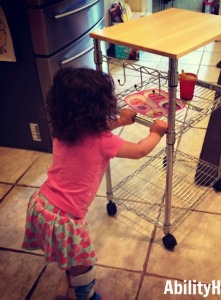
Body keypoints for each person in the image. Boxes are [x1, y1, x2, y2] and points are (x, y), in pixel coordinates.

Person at [22, 67, 168, 300]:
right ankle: (87, 295)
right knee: (84, 264)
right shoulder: (104, 141)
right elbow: (140, 150)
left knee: (70, 257)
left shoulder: (61, 130)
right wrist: (156, 132)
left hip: (42, 204)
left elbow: (93, 132)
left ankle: (71, 272)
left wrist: (120, 120)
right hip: (66, 218)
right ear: (98, 107)